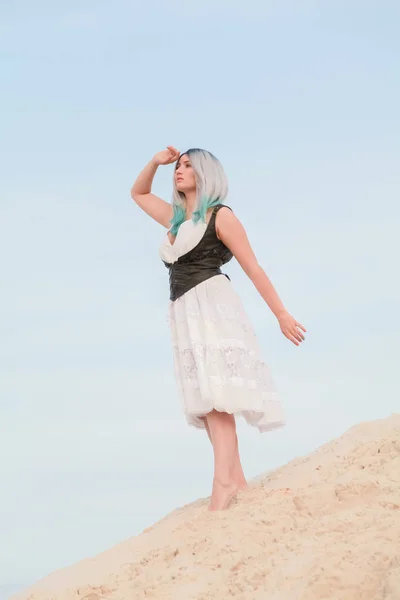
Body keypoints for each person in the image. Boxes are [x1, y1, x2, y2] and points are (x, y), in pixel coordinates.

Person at [130, 146, 306, 511]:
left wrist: (282, 314)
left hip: (213, 306)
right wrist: (154, 162)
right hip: (184, 311)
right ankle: (237, 480)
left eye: (188, 166)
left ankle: (223, 483)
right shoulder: (176, 220)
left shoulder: (220, 216)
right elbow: (139, 193)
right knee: (207, 397)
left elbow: (253, 268)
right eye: (178, 166)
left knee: (217, 396)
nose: (180, 171)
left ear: (206, 174)